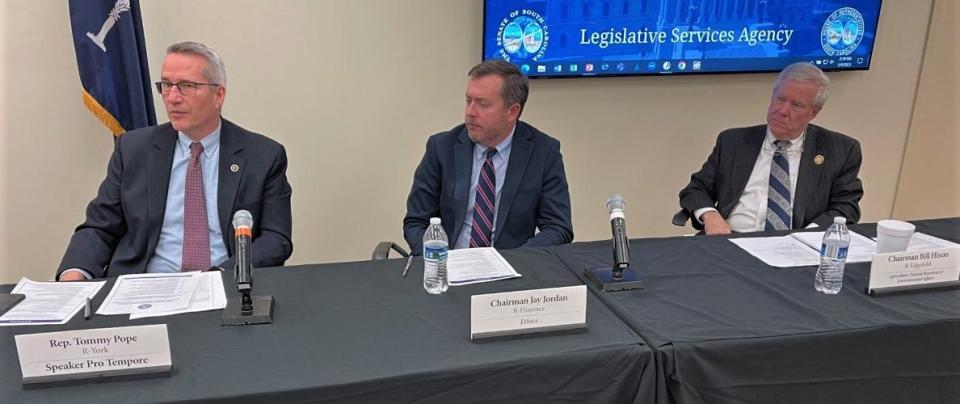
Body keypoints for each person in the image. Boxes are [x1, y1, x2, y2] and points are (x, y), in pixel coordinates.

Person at [57, 41, 292, 280]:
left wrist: (223, 275)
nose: (172, 97)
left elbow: (275, 239)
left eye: (187, 86)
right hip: (145, 287)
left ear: (218, 95)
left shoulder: (262, 156)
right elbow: (99, 227)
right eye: (167, 85)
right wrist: (74, 274)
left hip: (223, 283)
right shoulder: (133, 149)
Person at [403, 60, 573, 254]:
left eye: (482, 104)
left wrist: (515, 261)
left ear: (512, 112)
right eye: (468, 101)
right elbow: (416, 222)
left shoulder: (544, 152)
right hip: (447, 265)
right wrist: (438, 258)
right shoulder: (442, 148)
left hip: (511, 271)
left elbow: (558, 229)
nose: (470, 112)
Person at [677, 62, 863, 235]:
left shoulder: (841, 150)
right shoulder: (733, 142)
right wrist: (711, 216)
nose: (782, 110)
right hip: (730, 242)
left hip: (795, 247)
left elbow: (846, 207)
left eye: (796, 105)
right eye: (780, 99)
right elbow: (696, 189)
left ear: (814, 112)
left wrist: (808, 236)